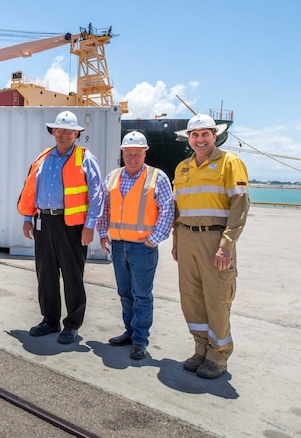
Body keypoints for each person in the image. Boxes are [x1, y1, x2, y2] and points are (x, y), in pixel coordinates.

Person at [171, 113, 249, 379]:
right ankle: (201, 349)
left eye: (205, 134)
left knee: (217, 299)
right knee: (191, 298)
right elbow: (176, 207)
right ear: (188, 139)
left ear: (215, 136)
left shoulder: (230, 163)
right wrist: (176, 240)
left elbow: (240, 206)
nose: (200, 139)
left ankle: (218, 355)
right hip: (187, 238)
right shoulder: (182, 167)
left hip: (215, 239)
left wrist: (227, 244)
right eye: (195, 135)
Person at [18, 110, 105, 345]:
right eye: (60, 129)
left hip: (73, 226)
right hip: (44, 222)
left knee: (72, 275)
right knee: (45, 273)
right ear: (53, 131)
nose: (64, 134)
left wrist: (90, 225)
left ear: (76, 133)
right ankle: (50, 320)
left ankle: (72, 324)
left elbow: (97, 195)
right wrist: (27, 217)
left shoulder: (86, 158)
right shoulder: (43, 157)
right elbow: (30, 188)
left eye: (69, 130)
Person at [96, 131, 174, 360]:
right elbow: (104, 208)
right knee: (125, 293)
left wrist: (154, 239)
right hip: (119, 246)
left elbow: (167, 211)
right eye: (128, 154)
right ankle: (129, 333)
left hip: (143, 247)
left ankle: (140, 339)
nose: (132, 158)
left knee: (141, 295)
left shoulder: (156, 177)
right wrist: (103, 233)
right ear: (122, 153)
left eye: (137, 154)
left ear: (144, 153)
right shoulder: (112, 177)